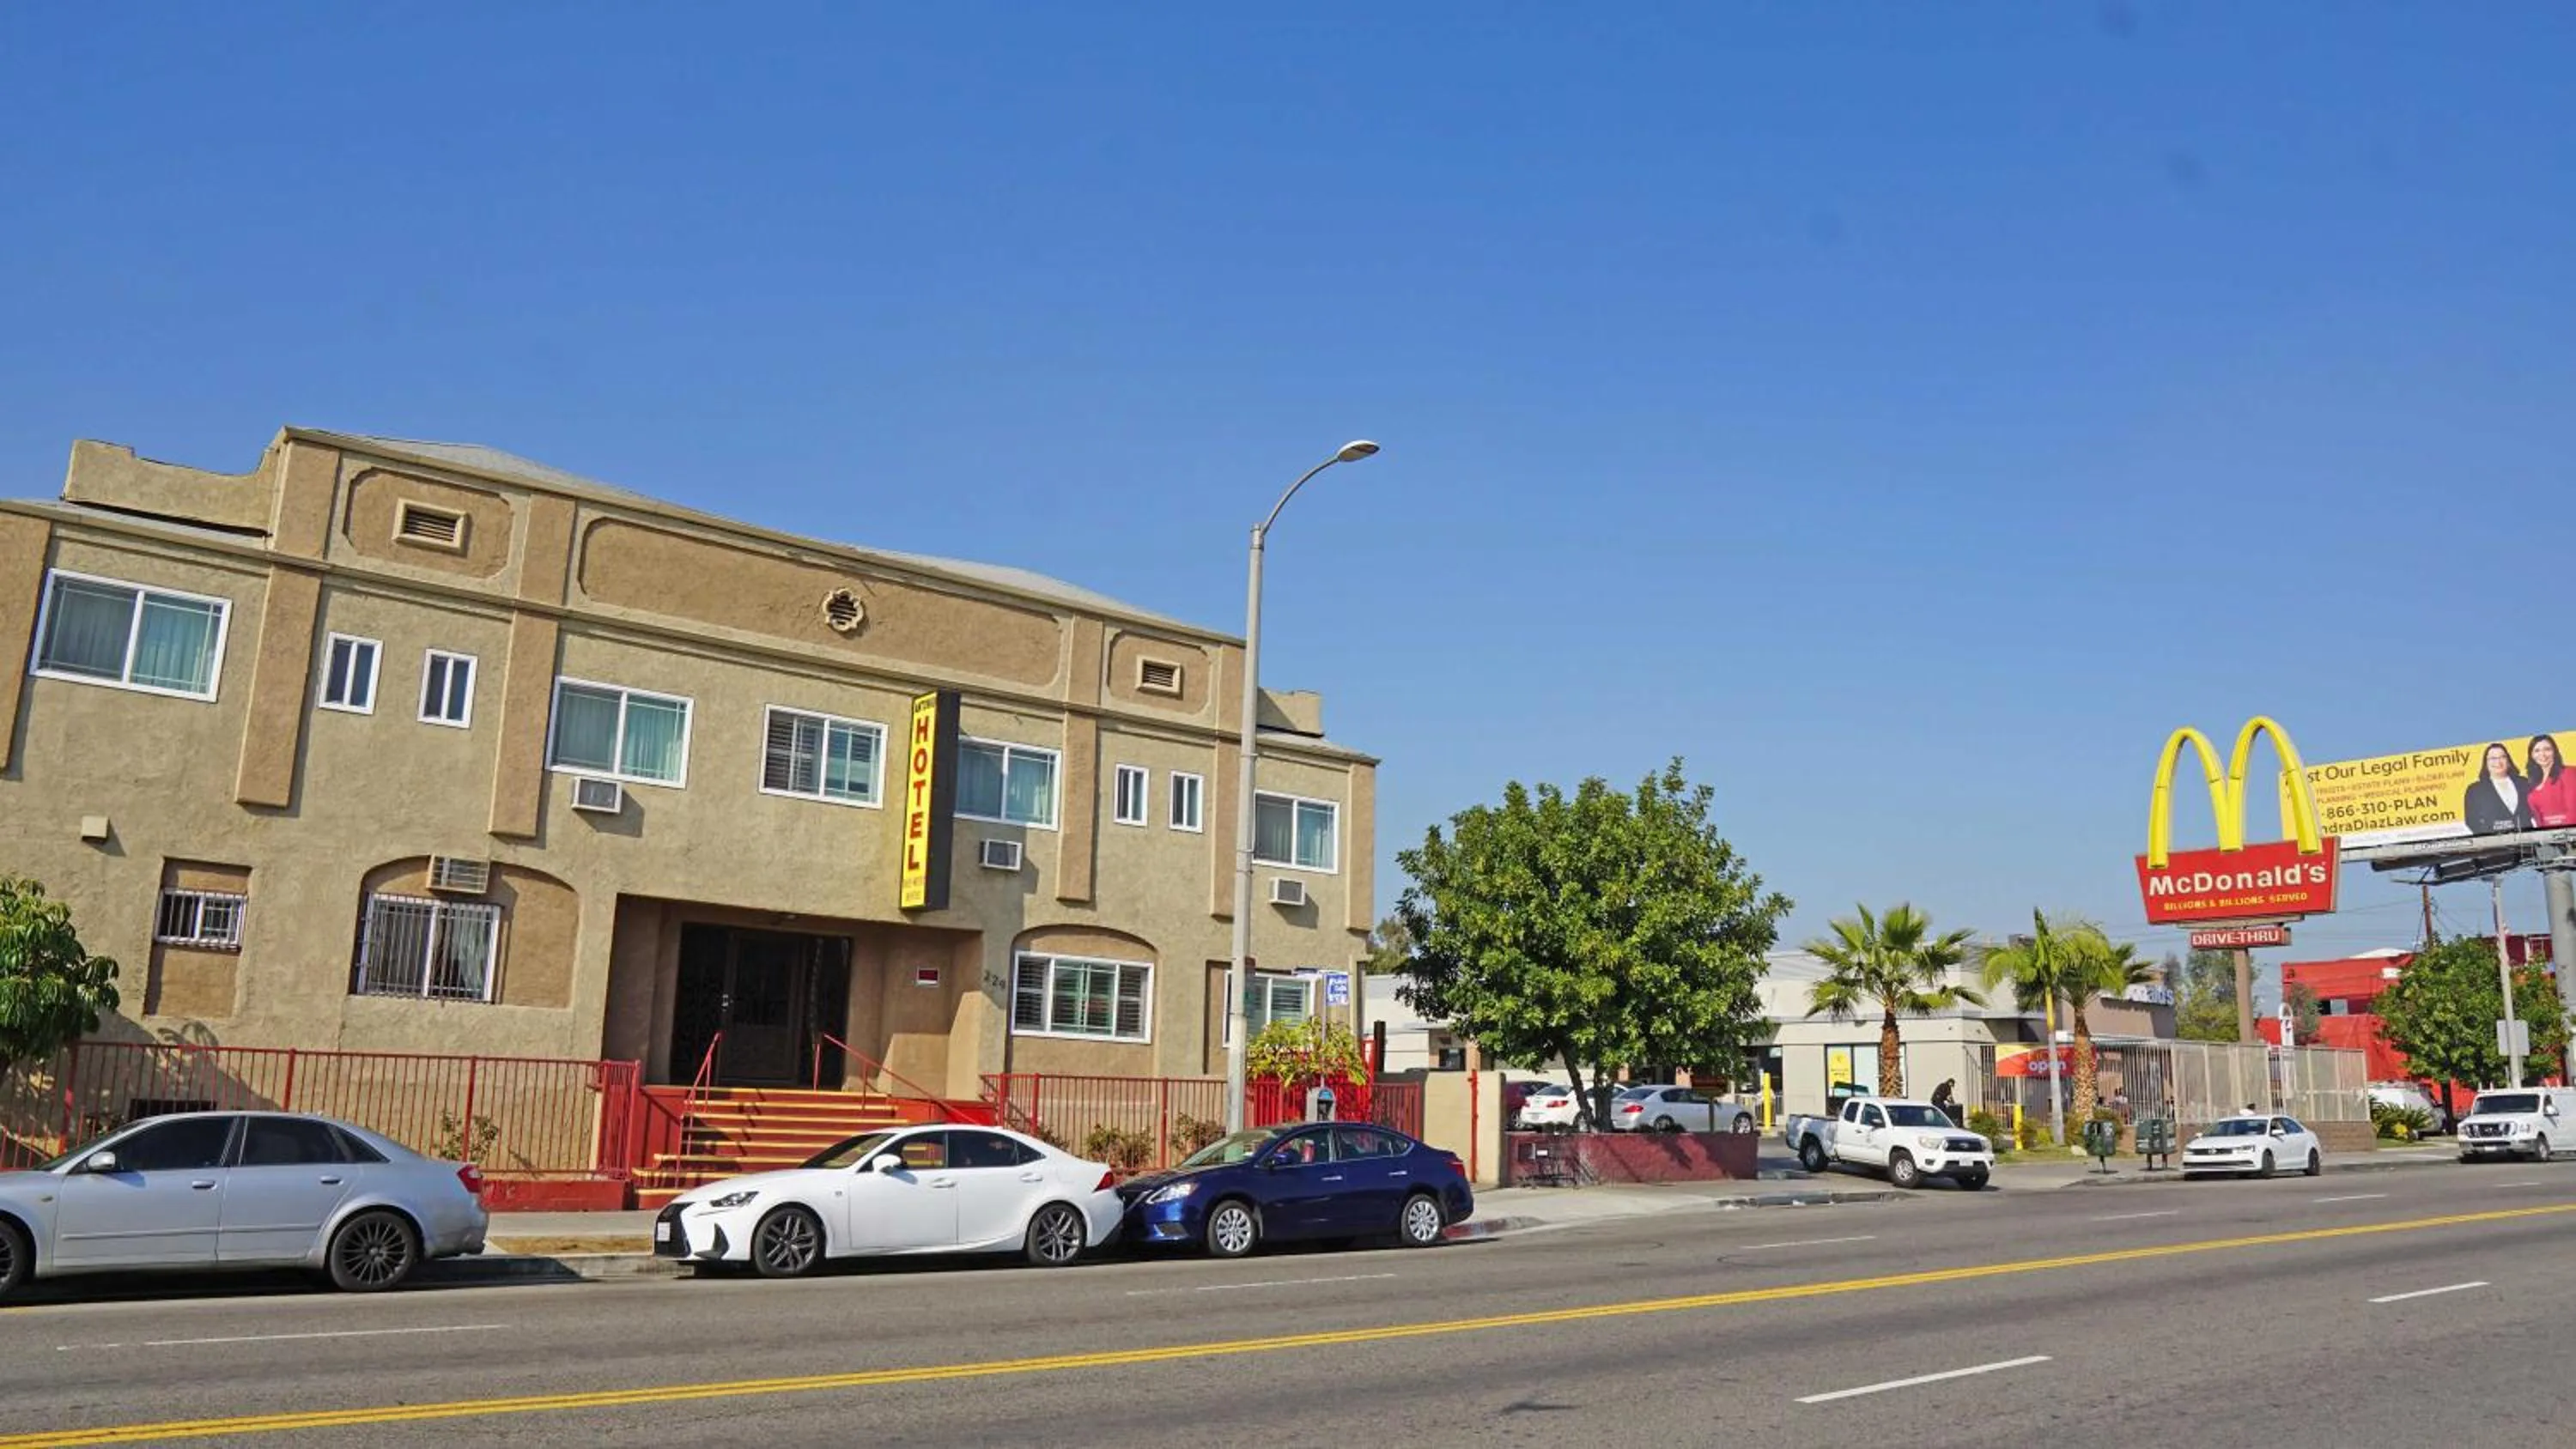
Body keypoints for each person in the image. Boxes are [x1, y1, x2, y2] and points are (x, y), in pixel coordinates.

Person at [2462, 743, 2534, 834]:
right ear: (2486, 763)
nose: (2498, 762)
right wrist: (2489, 838)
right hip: (2495, 845)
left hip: (2528, 842)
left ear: (2508, 760)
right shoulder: (2475, 790)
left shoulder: (2524, 783)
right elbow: (2471, 821)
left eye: (2502, 757)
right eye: (2493, 758)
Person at [2527, 735, 2576, 828]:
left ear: (2555, 752)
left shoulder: (2569, 773)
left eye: (2547, 749)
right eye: (2537, 751)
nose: (2543, 754)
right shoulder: (2533, 782)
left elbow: (2574, 811)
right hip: (2546, 838)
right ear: (2532, 755)